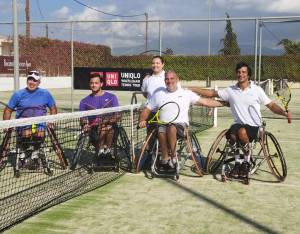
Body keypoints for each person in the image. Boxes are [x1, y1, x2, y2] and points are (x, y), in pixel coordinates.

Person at [189, 62, 291, 178]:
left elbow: (271, 105)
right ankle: (238, 164)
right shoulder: (230, 90)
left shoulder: (257, 90)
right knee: (233, 134)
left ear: (248, 75)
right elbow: (212, 93)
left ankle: (246, 162)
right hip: (238, 124)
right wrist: (193, 89)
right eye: (238, 72)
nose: (240, 74)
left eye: (243, 72)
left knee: (241, 132)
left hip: (255, 126)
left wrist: (284, 113)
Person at [138, 70, 224, 169]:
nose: (169, 81)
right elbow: (147, 109)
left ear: (177, 79)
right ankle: (165, 159)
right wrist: (142, 120)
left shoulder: (186, 93)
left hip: (180, 127)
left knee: (171, 127)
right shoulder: (158, 93)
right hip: (162, 125)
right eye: (167, 79)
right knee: (161, 129)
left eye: (172, 78)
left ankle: (174, 158)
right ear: (164, 80)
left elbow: (205, 102)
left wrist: (224, 103)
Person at [3, 70, 57, 161]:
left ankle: (35, 152)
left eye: (34, 80)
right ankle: (24, 151)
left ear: (39, 82)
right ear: (27, 80)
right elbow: (8, 110)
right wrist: (6, 125)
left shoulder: (45, 94)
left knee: (39, 133)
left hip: (40, 124)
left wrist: (52, 121)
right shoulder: (18, 94)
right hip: (23, 124)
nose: (31, 82)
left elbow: (53, 108)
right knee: (27, 133)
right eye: (30, 79)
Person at [79, 73, 119, 158]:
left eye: (96, 83)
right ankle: (101, 152)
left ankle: (107, 151)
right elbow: (82, 118)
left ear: (101, 84)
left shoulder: (112, 97)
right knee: (103, 128)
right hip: (93, 131)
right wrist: (85, 124)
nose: (94, 85)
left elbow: (118, 115)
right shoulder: (84, 101)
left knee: (106, 127)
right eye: (91, 83)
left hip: (111, 128)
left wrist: (108, 121)